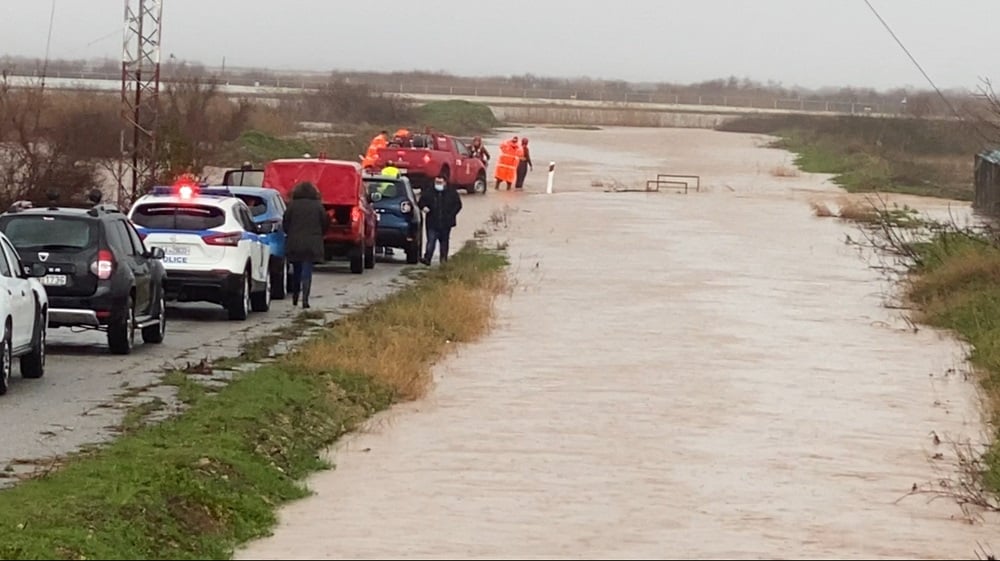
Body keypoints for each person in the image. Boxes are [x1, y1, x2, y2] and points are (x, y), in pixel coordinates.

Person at [282, 181, 329, 308]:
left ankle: (295, 296)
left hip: (295, 242)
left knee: (296, 270)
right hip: (312, 243)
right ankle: (305, 299)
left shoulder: (292, 206)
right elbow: (325, 223)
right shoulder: (318, 206)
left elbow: (285, 223)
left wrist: (290, 233)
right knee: (307, 270)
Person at [418, 175, 463, 265]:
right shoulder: (429, 191)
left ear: (445, 182)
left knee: (444, 242)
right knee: (431, 241)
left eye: (440, 182)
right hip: (432, 222)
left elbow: (458, 205)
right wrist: (424, 207)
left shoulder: (452, 193)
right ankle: (427, 259)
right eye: (436, 182)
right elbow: (420, 202)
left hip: (446, 223)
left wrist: (451, 215)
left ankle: (443, 260)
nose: (438, 184)